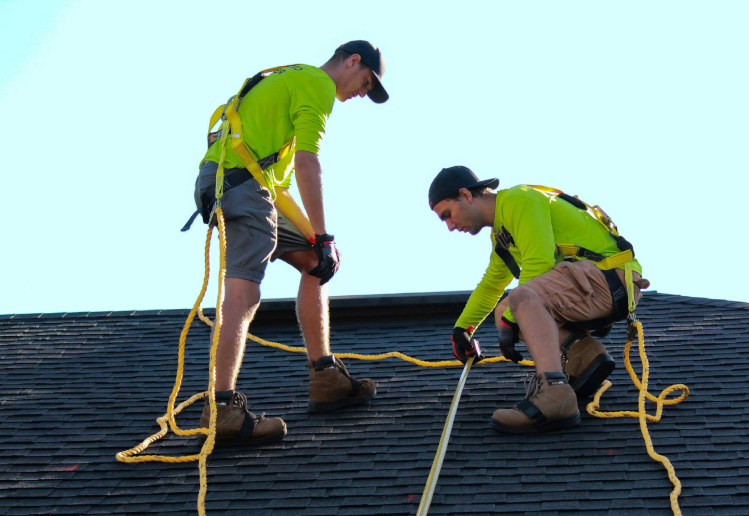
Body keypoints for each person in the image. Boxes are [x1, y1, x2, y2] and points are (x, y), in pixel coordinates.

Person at [187, 40, 389, 446]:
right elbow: (307, 162)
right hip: (240, 188)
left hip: (243, 184)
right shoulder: (316, 84)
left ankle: (325, 377)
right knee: (243, 295)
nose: (362, 93)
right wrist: (325, 232)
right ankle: (221, 408)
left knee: (319, 263)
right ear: (352, 62)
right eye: (366, 82)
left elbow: (277, 185)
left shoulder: (291, 79)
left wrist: (319, 241)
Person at [428, 166, 650, 434]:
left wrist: (514, 319)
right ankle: (583, 354)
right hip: (593, 283)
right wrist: (463, 328)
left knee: (520, 299)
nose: (450, 227)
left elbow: (539, 264)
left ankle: (555, 394)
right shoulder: (502, 234)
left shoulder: (518, 199)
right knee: (505, 309)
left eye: (447, 215)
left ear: (465, 194)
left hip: (607, 278)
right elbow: (491, 284)